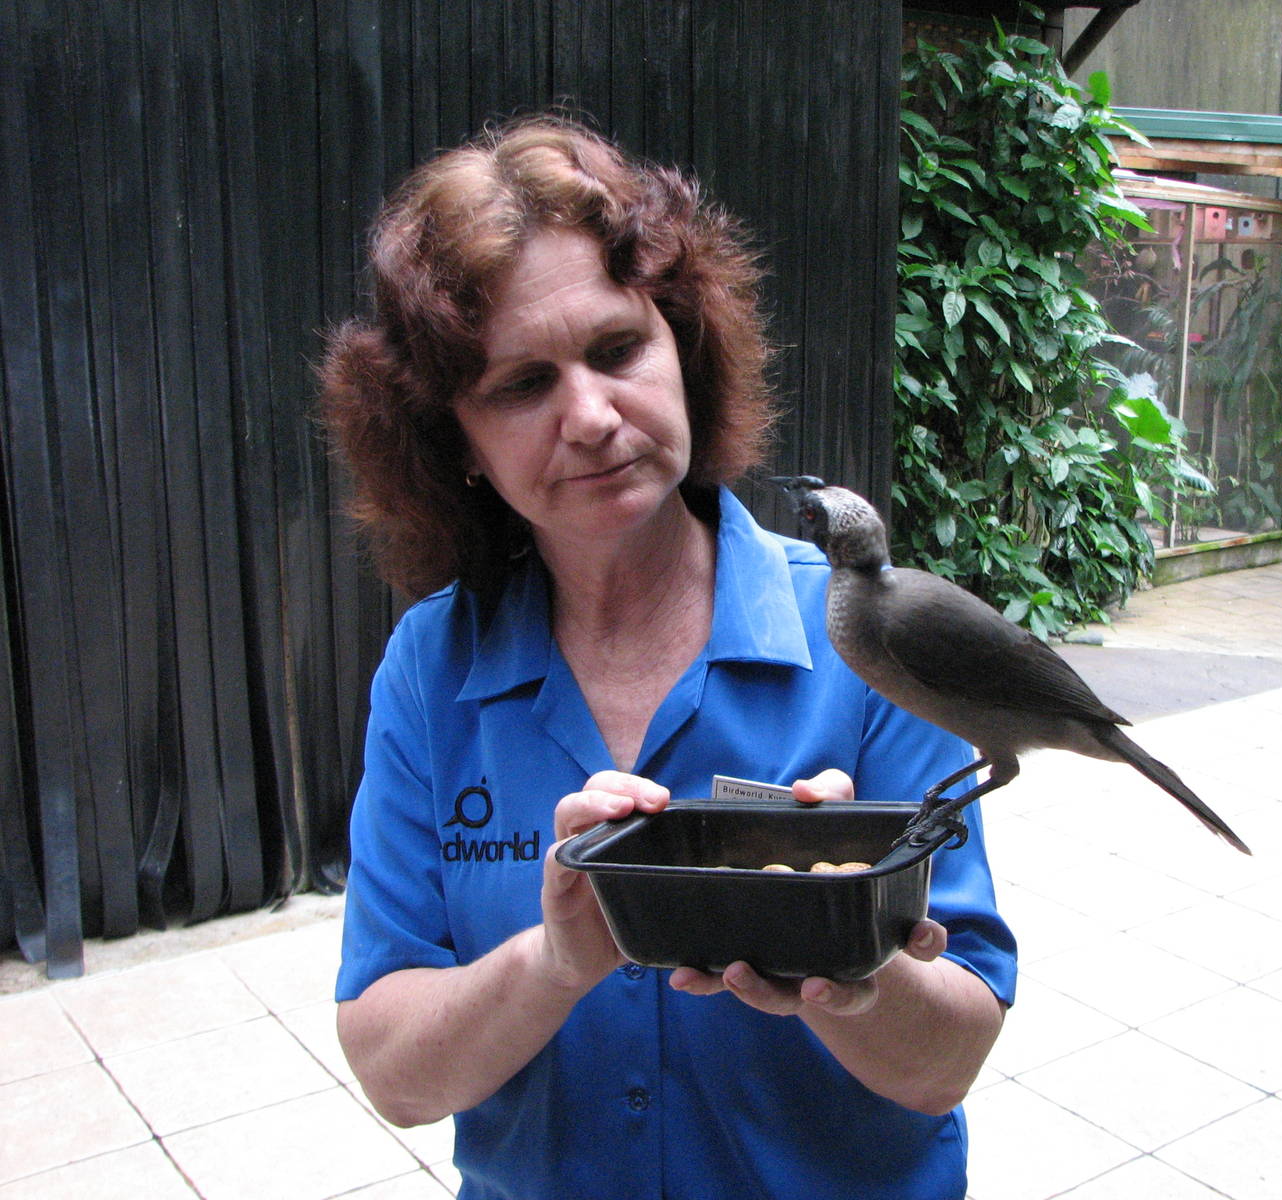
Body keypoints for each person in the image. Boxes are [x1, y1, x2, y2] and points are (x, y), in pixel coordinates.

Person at [319, 114, 1017, 1200]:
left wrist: (853, 956)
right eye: (520, 386)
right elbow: (396, 1073)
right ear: (451, 440)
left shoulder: (862, 640)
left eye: (615, 349)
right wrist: (555, 960)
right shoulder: (431, 669)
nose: (592, 416)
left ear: (683, 345)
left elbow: (953, 1058)